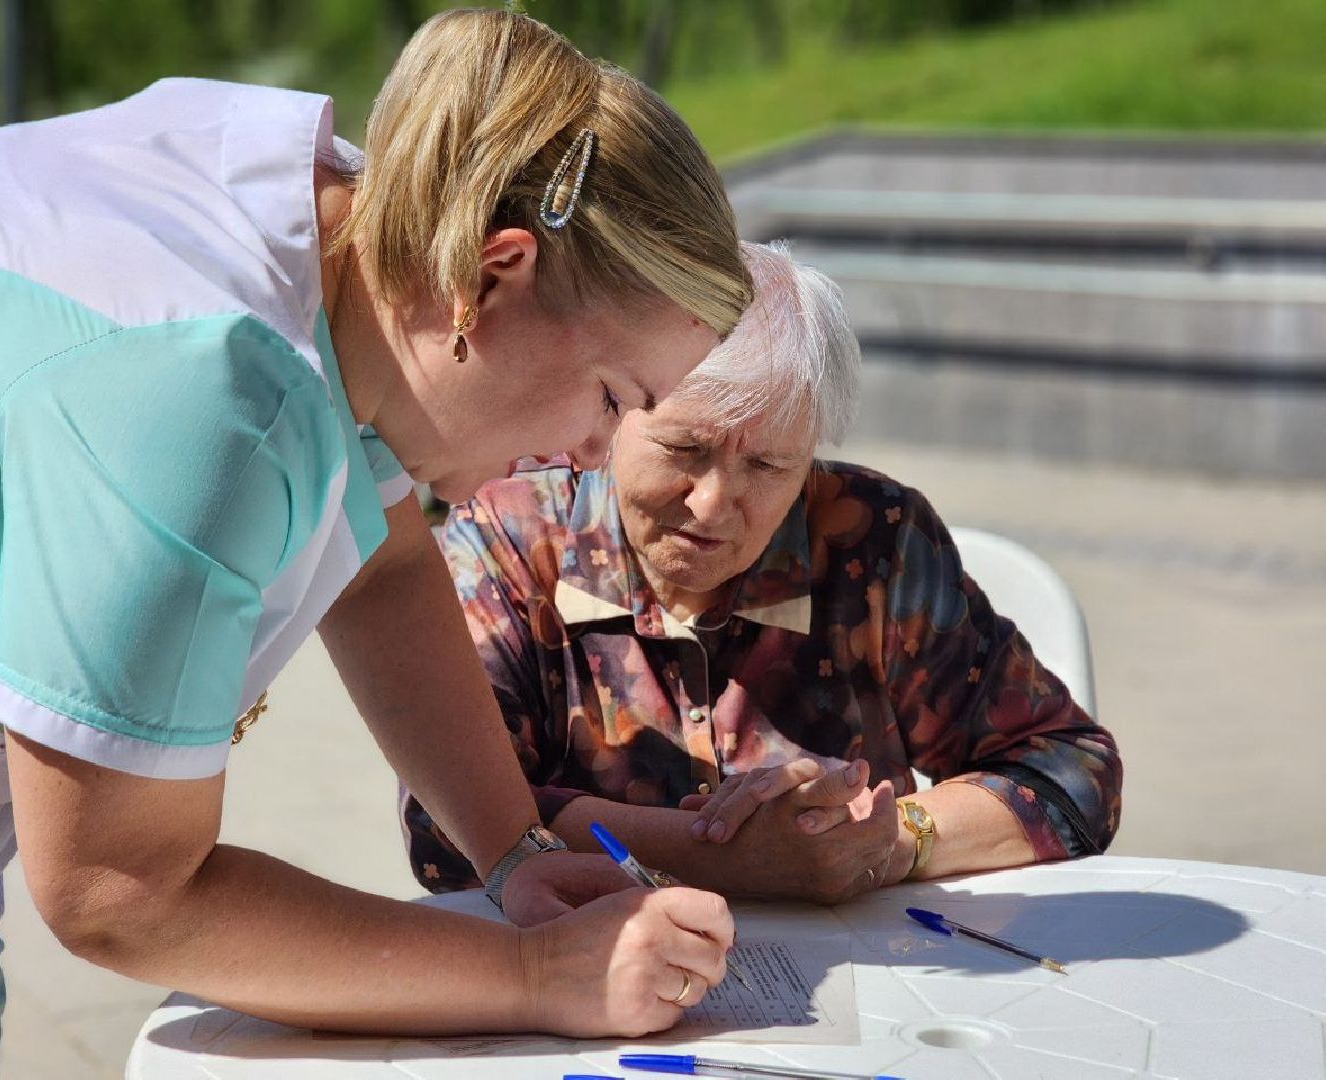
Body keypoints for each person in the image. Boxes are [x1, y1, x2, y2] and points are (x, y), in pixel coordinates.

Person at [0, 10, 754, 1076]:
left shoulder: (362, 234)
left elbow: (383, 568)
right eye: (614, 397)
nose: (593, 458)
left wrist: (517, 852)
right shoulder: (207, 393)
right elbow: (120, 892)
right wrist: (535, 980)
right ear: (495, 272)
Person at [404, 241, 1122, 903]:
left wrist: (893, 840)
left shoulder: (875, 542)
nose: (714, 504)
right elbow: (445, 828)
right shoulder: (512, 534)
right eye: (684, 450)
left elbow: (1072, 772)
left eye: (769, 466)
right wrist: (708, 855)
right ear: (612, 410)